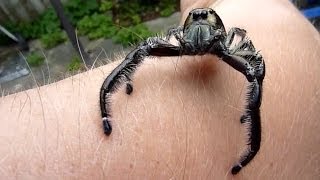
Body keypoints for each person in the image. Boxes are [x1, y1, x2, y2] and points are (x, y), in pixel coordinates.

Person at [0, 0, 319, 178]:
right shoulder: (181, 35)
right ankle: (106, 100)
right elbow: (143, 51)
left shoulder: (227, 38)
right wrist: (110, 97)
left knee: (252, 69)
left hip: (220, 39)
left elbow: (249, 53)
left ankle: (251, 148)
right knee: (140, 53)